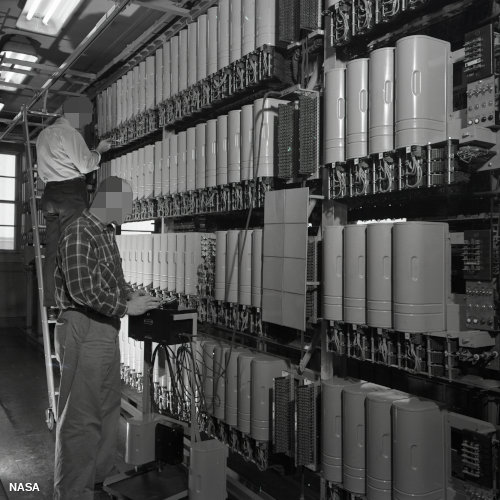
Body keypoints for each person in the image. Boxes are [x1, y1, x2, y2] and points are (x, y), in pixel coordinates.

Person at [53, 176, 161, 500]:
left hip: (104, 329)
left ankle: (97, 484)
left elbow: (111, 280)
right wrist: (127, 306)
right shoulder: (79, 232)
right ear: (108, 200)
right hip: (83, 328)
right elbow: (83, 290)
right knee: (81, 420)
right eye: (125, 203)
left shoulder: (105, 233)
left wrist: (133, 293)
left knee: (106, 413)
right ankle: (73, 492)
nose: (129, 209)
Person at [36, 96, 112, 310]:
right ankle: (74, 300)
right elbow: (85, 165)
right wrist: (99, 150)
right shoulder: (70, 133)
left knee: (53, 250)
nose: (86, 122)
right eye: (85, 117)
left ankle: (51, 300)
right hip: (70, 194)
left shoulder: (43, 134)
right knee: (74, 248)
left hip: (50, 194)